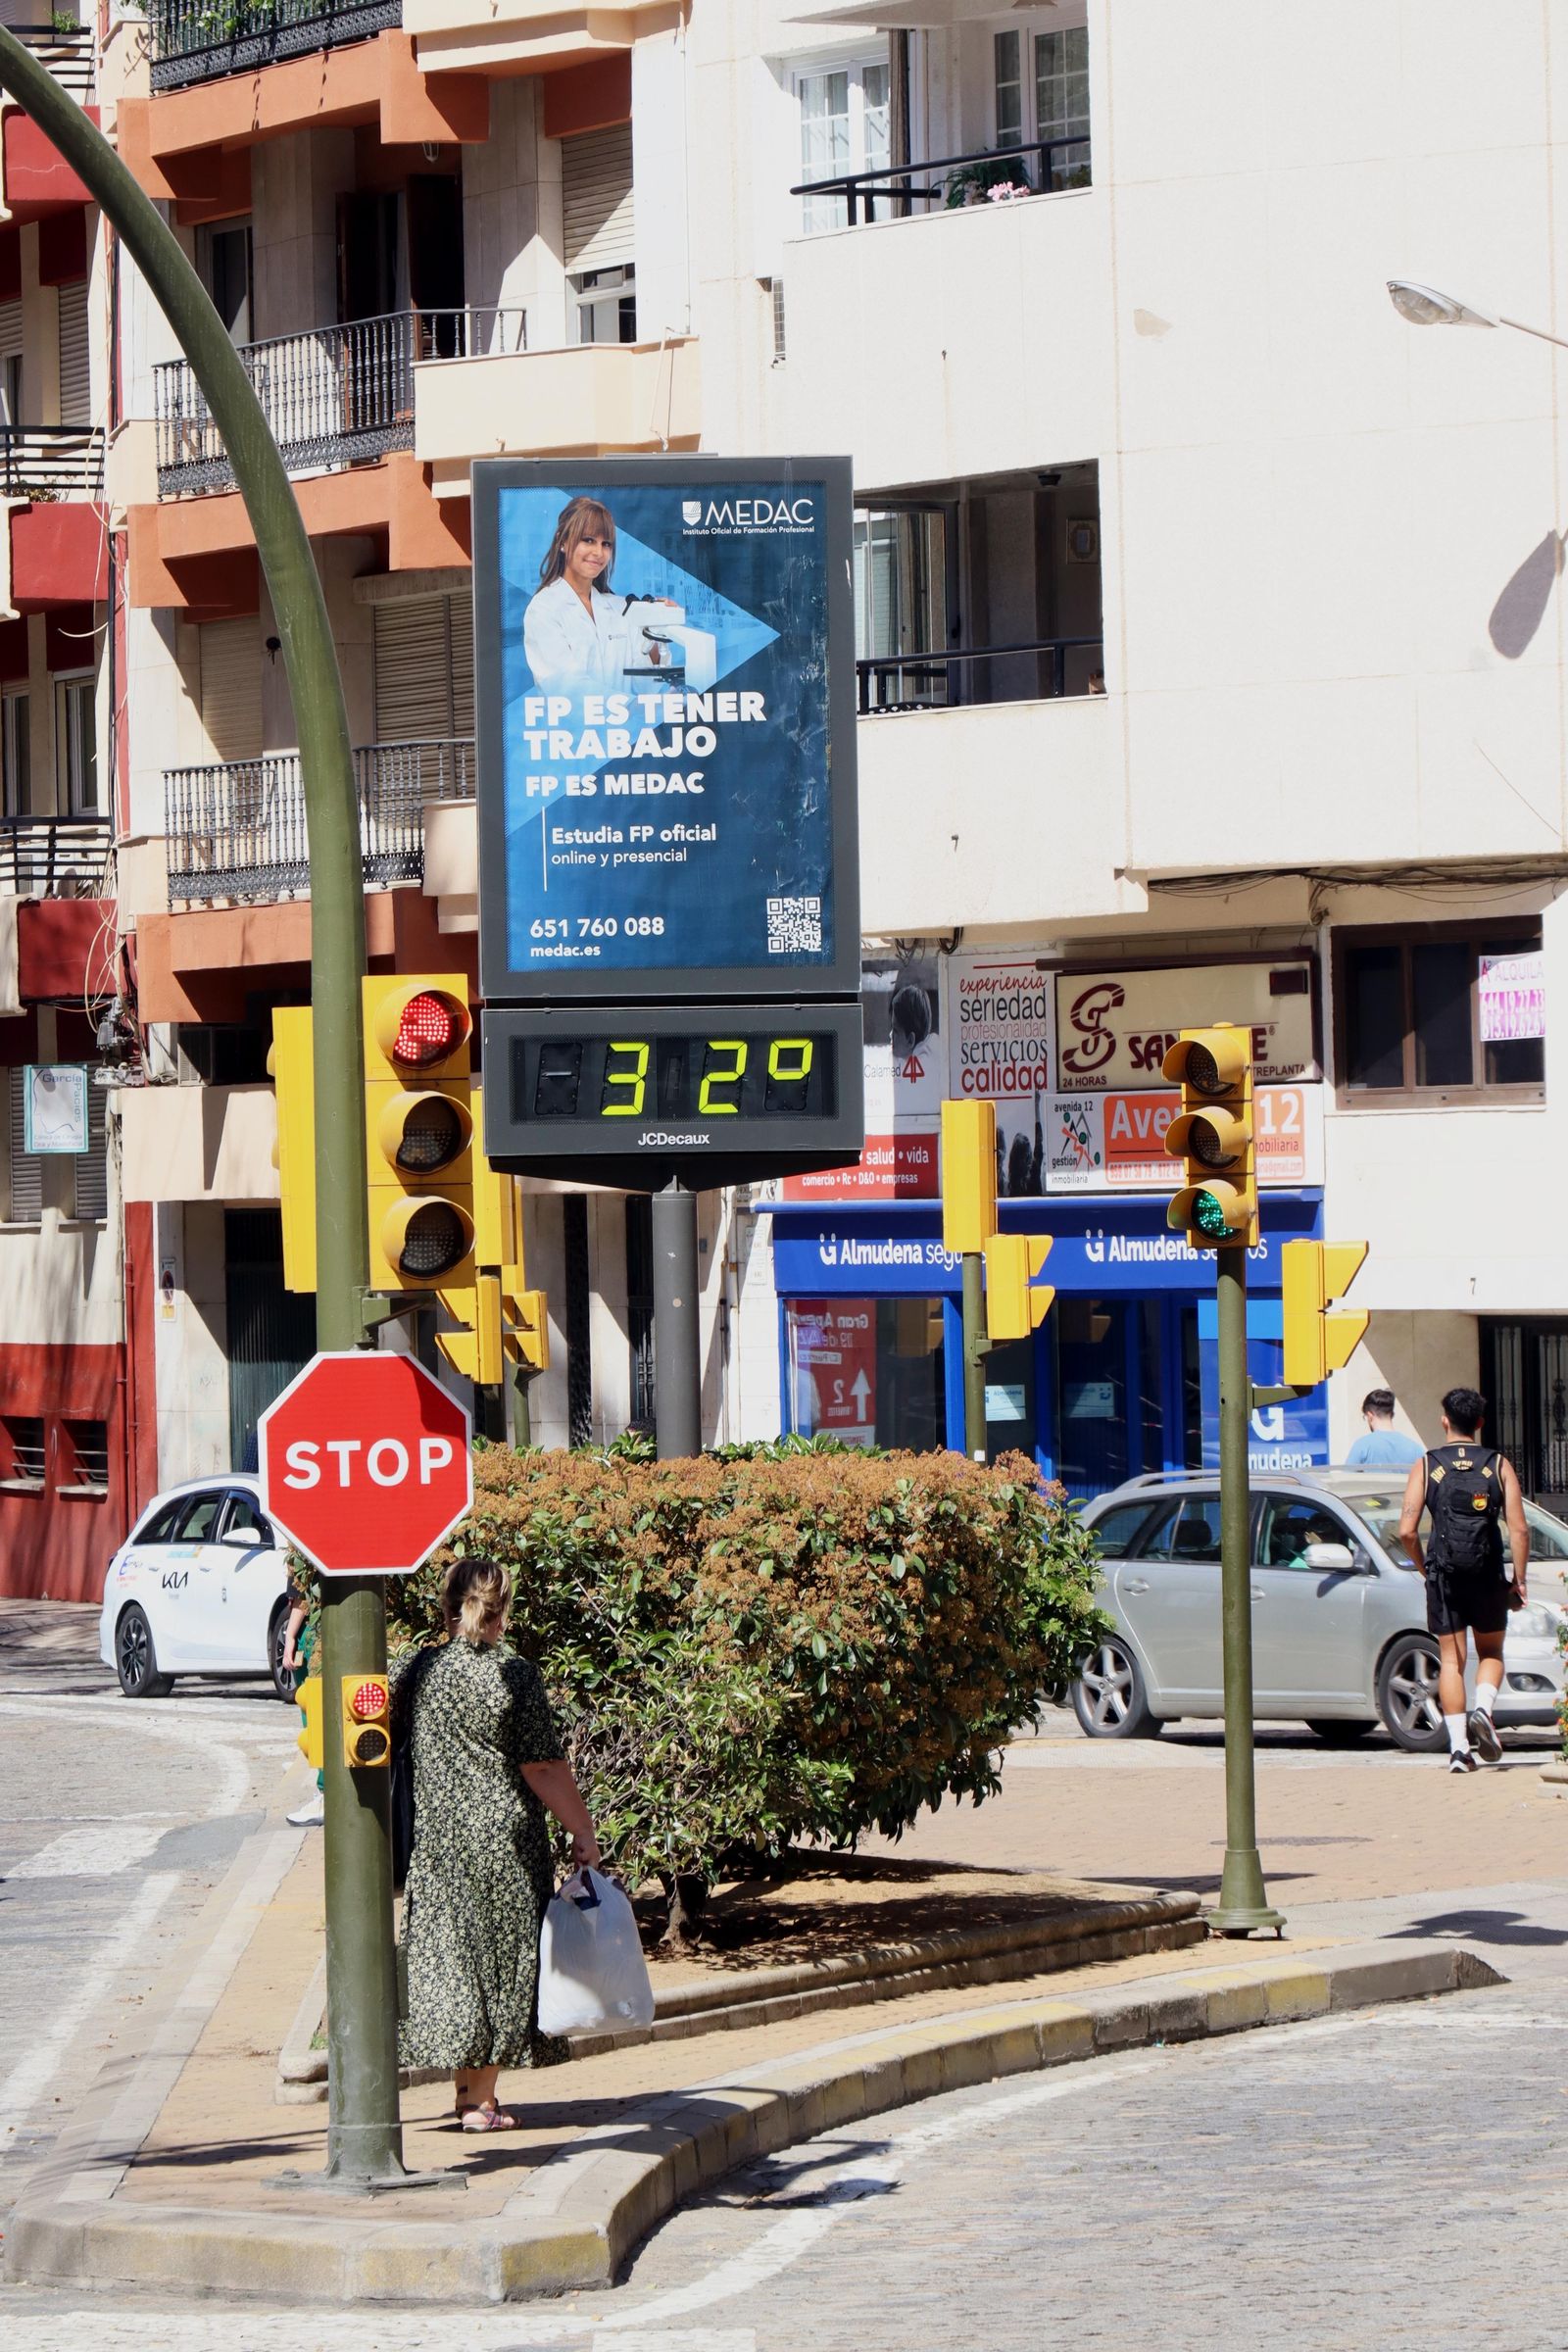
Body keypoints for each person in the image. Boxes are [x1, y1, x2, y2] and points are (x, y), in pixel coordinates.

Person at [391, 1555, 601, 2132]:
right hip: (505, 1844)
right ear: (501, 1606)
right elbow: (543, 1768)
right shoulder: (515, 1675)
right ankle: (481, 2102)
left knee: (455, 1964)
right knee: (502, 1966)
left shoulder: (418, 1668)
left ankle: (466, 2093)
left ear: (449, 1603)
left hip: (437, 1845)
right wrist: (583, 1831)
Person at [1397, 1388, 1529, 1773]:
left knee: (1452, 1661)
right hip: (1488, 1575)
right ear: (1481, 1423)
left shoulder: (1426, 1464)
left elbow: (1406, 1530)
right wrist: (1518, 1582)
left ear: (1444, 1421)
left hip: (1445, 1577)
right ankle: (1484, 1711)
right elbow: (1519, 1531)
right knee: (1490, 1653)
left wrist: (1426, 1568)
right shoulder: (1498, 1464)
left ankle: (1459, 1751)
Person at [522, 495, 670, 692]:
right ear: (562, 542)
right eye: (588, 540)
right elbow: (566, 689)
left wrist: (654, 631)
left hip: (627, 722)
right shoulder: (543, 609)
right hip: (576, 723)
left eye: (606, 544)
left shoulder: (621, 609)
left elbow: (647, 686)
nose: (599, 552)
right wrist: (628, 708)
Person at [1343, 1389, 1424, 1468]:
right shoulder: (1415, 1449)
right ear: (1391, 1415)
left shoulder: (1362, 1446)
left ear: (1370, 1416)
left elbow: (1346, 1478)